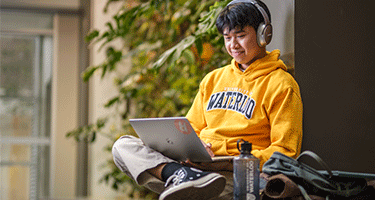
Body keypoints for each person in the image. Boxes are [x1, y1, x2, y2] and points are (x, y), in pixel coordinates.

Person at [112, 0, 303, 199]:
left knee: (202, 193)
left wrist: (230, 161)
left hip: (238, 173)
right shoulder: (213, 79)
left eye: (240, 36)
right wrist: (192, 148)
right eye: (227, 37)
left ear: (264, 34)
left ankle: (187, 182)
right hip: (199, 166)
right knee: (123, 146)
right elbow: (190, 128)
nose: (233, 45)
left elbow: (285, 153)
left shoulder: (281, 84)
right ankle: (179, 176)